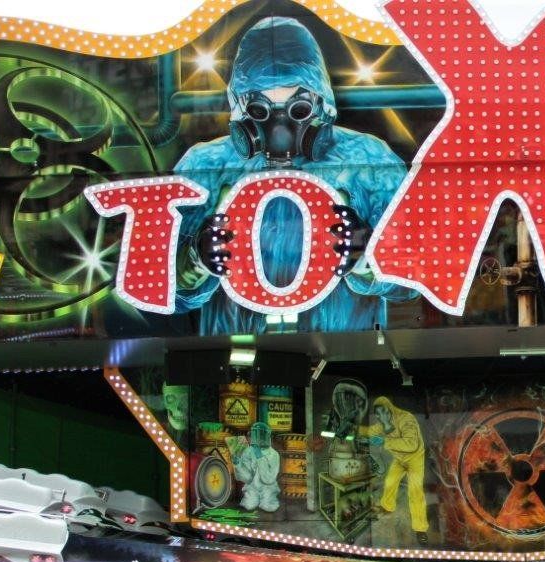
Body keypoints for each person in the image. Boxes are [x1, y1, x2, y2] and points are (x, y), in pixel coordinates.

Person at [173, 16, 414, 335]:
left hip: (345, 348)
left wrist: (367, 258)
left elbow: (413, 281)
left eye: (298, 110)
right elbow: (163, 290)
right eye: (260, 110)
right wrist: (194, 261)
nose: (279, 128)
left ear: (321, 102)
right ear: (240, 106)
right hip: (235, 351)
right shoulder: (207, 165)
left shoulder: (367, 161)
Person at [360, 396, 429, 544]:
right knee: (390, 481)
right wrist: (353, 428)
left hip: (415, 459)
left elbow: (412, 444)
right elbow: (370, 431)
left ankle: (420, 528)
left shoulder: (406, 419)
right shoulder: (382, 424)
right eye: (378, 414)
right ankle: (387, 506)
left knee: (415, 492)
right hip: (399, 459)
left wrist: (384, 441)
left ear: (390, 409)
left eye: (384, 412)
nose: (382, 417)